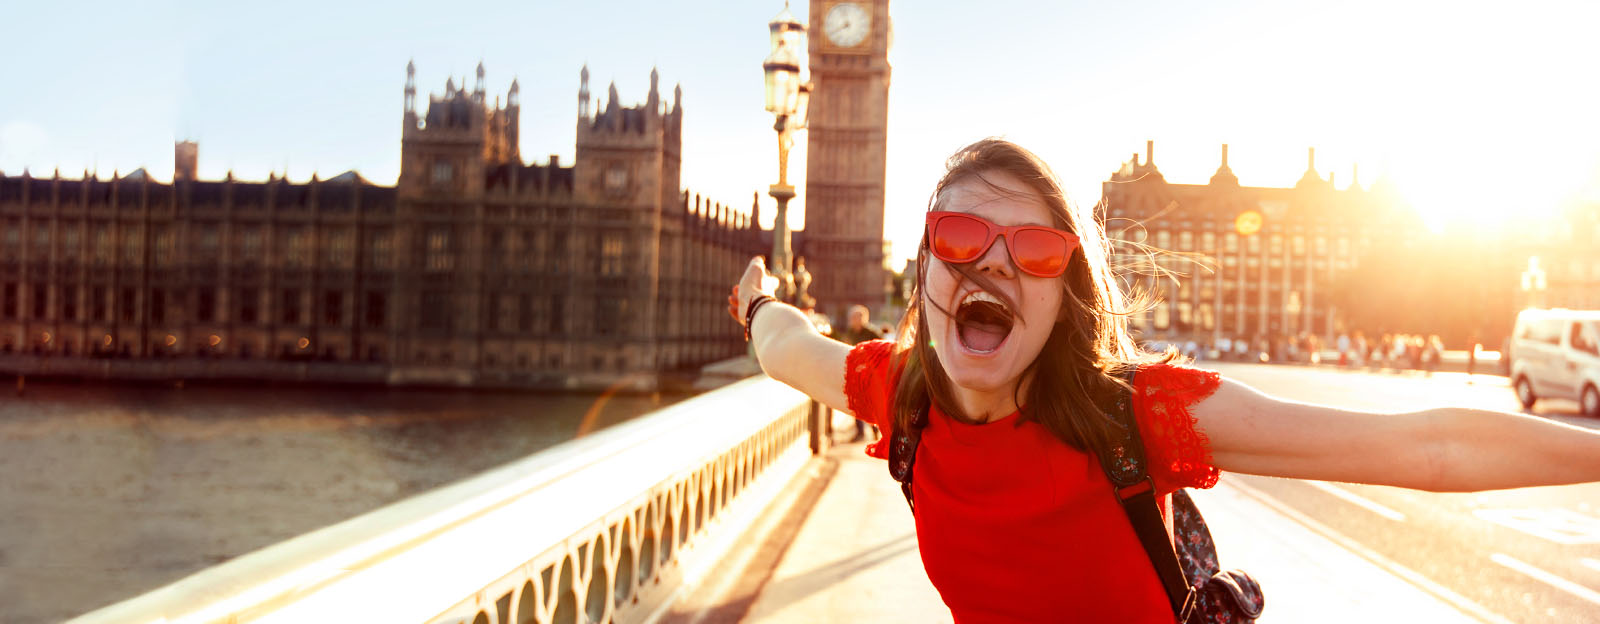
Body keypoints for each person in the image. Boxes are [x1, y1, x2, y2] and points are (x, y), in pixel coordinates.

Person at [726, 139, 1600, 623]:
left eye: (1032, 250)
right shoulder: (901, 392)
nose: (990, 267)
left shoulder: (1137, 416)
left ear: (1065, 294)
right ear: (922, 267)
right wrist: (759, 302)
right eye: (959, 239)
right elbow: (785, 348)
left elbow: (1431, 447)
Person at [830, 304, 885, 442]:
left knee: (872, 404)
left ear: (863, 318)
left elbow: (882, 350)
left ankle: (876, 430)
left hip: (871, 374)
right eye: (852, 317)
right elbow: (846, 347)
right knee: (857, 404)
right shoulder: (850, 332)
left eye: (856, 317)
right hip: (856, 374)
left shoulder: (872, 333)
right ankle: (860, 431)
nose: (853, 320)